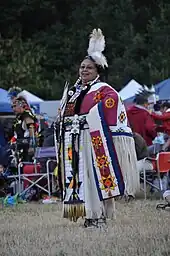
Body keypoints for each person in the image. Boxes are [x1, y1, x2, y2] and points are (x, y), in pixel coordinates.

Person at [56, 28, 139, 227]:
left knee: (95, 178)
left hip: (94, 141)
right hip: (74, 142)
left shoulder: (104, 91)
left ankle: (98, 215)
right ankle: (88, 214)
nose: (84, 70)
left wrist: (85, 119)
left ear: (98, 71)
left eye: (89, 68)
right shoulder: (74, 92)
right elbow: (64, 114)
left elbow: (110, 109)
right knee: (80, 178)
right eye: (82, 67)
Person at [10, 96, 38, 162]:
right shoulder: (19, 117)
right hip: (20, 147)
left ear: (21, 105)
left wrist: (32, 146)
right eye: (12, 107)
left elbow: (32, 130)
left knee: (27, 166)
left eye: (15, 106)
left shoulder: (27, 116)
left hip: (27, 148)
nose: (13, 109)